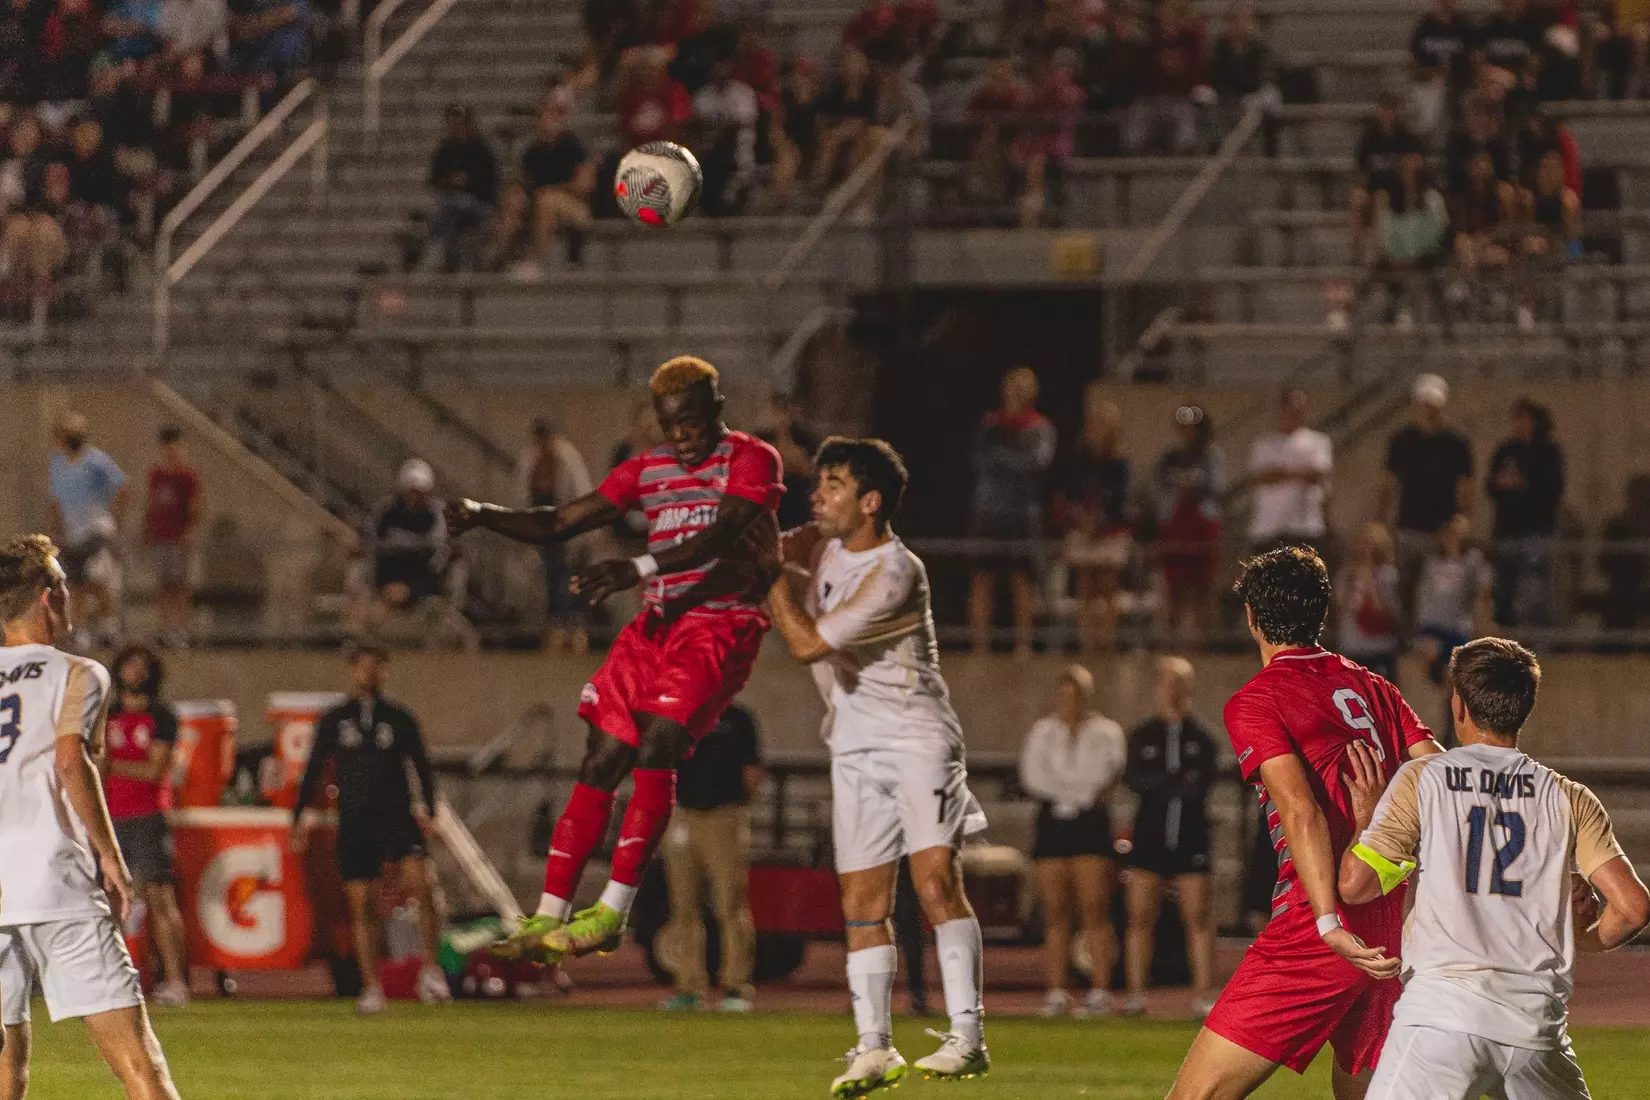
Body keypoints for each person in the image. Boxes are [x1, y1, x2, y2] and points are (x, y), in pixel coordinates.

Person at [449, 357, 783, 965]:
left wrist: (638, 566)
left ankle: (612, 911)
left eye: (692, 421)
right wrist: (482, 516)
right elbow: (559, 521)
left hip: (719, 623)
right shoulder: (645, 470)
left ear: (716, 409)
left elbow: (727, 533)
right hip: (655, 626)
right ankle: (549, 915)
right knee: (602, 757)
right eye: (669, 424)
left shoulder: (752, 459)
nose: (682, 434)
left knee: (657, 743)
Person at [1166, 545, 1444, 1099]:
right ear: (1324, 611)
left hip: (1320, 930)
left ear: (1251, 617)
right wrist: (1382, 821)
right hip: (1386, 927)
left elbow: (1301, 810)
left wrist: (1325, 923)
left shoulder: (1258, 699)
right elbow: (1439, 771)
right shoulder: (1375, 686)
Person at [765, 437, 990, 1091]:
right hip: (854, 744)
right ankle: (874, 1047)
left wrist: (768, 575)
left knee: (934, 883)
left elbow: (806, 644)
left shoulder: (897, 572)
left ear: (870, 502)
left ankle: (967, 1036)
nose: (818, 494)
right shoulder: (827, 543)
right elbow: (784, 543)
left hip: (918, 740)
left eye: (832, 483)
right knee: (861, 902)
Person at [1341, 637, 1650, 1099]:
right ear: (1524, 708)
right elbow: (1634, 908)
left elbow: (1356, 885)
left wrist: (1366, 820)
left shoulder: (1424, 779)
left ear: (1458, 706)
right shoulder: (1568, 796)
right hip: (1534, 1027)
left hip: (1440, 1018)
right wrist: (1582, 938)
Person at [0, 535, 181, 1100]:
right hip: (56, 883)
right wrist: (110, 855)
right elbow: (70, 759)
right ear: (49, 596)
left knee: (6, 1075)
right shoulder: (79, 672)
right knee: (139, 1066)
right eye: (64, 583)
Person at [290, 646, 450, 1014]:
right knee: (362, 903)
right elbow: (313, 769)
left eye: (375, 666)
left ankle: (431, 969)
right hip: (356, 821)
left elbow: (421, 767)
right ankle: (371, 985)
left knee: (421, 886)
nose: (369, 673)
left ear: (385, 671)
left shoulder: (400, 719)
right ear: (352, 671)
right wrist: (298, 816)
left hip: (396, 816)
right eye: (362, 667)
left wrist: (429, 808)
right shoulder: (335, 720)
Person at [1018, 665, 1125, 1019]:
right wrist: (1077, 789)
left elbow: (1105, 775)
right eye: (1064, 695)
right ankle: (1056, 990)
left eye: (1077, 695)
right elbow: (1034, 777)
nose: (1070, 702)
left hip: (1091, 825)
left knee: (1095, 909)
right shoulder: (1043, 732)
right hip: (1053, 825)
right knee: (1055, 912)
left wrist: (1073, 788)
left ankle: (1099, 989)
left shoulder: (1107, 732)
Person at [1122, 656, 1218, 1019]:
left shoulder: (1201, 737)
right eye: (1167, 683)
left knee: (1197, 914)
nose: (1173, 691)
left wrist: (1170, 784)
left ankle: (1204, 994)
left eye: (1180, 684)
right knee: (1140, 915)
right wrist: (1170, 783)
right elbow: (1136, 779)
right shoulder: (1143, 735)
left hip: (1190, 834)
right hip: (1149, 834)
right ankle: (1135, 995)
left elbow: (1200, 784)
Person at [657, 701, 763, 1013]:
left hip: (723, 816)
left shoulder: (737, 719)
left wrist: (737, 807)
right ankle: (688, 986)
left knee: (730, 903)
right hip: (682, 815)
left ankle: (735, 986)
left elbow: (752, 771)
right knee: (682, 905)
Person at [104, 645, 190, 1009]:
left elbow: (156, 771)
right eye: (129, 665)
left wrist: (111, 767)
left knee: (159, 898)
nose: (134, 673)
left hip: (147, 816)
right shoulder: (106, 714)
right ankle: (113, 980)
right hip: (108, 817)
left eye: (141, 666)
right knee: (108, 900)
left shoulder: (162, 716)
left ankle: (175, 981)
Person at [968, 366, 1056, 656]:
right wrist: (1012, 460)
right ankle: (980, 646)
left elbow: (1036, 465)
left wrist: (1003, 459)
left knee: (1022, 578)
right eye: (1012, 386)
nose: (1016, 392)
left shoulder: (1040, 428)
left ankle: (1023, 645)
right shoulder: (990, 424)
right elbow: (979, 460)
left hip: (1022, 513)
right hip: (989, 511)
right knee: (983, 577)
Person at [1380, 373, 1474, 617]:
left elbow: (1465, 485)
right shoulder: (1402, 440)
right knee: (1405, 586)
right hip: (1408, 524)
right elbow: (1389, 484)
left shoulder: (1456, 441)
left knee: (1439, 589)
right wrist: (1382, 522)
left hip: (1442, 528)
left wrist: (1461, 523)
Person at [490, 94, 594, 279]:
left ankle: (536, 262)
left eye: (550, 117)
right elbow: (525, 180)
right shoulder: (533, 150)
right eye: (542, 117)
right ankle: (499, 255)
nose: (544, 122)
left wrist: (554, 190)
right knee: (515, 198)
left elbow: (584, 186)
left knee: (547, 200)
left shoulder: (574, 147)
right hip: (539, 200)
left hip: (575, 206)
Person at [48, 411, 127, 646]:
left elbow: (122, 488)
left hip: (96, 532)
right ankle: (80, 628)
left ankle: (108, 625)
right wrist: (56, 531)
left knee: (99, 579)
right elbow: (55, 501)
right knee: (76, 583)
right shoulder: (57, 464)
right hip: (73, 533)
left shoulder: (96, 461)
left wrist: (114, 520)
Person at [1059, 402, 1132, 654]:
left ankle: (1108, 643)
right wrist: (1083, 518)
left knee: (1108, 588)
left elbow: (1121, 499)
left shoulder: (1120, 463)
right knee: (1086, 588)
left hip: (1110, 530)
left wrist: (1100, 520)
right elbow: (1071, 493)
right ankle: (1087, 644)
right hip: (1083, 528)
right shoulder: (1079, 460)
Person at [518, 419, 595, 652]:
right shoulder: (530, 459)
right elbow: (521, 492)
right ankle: (555, 623)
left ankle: (573, 625)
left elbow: (581, 493)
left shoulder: (568, 458)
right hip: (542, 520)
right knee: (552, 574)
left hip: (568, 519)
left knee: (570, 575)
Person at [1486, 398, 1563, 630]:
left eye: (1525, 418)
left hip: (1537, 530)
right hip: (1507, 530)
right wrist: (1503, 484)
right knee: (1503, 591)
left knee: (1536, 592)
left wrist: (1523, 485)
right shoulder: (1506, 450)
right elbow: (1490, 486)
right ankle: (1505, 640)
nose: (1520, 423)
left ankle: (1539, 642)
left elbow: (1553, 490)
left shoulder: (1549, 451)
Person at [1154, 405, 1224, 649]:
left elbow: (1215, 488)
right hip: (1176, 524)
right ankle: (1171, 643)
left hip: (1201, 524)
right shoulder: (1169, 458)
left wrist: (1192, 486)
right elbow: (1160, 487)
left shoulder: (1210, 457)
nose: (1188, 433)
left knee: (1202, 587)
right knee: (1175, 587)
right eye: (1184, 428)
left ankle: (1202, 644)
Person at [366, 458, 458, 630]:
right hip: (388, 575)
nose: (413, 499)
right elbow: (373, 544)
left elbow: (438, 555)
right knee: (368, 604)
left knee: (389, 601)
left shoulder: (437, 514)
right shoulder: (386, 512)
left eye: (418, 494)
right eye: (409, 493)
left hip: (423, 580)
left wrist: (412, 585)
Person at [1246, 387, 1332, 556]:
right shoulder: (1263, 445)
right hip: (1268, 527)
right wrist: (1300, 472)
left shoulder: (1318, 442)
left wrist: (1281, 472)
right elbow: (1262, 477)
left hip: (1305, 526)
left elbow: (1318, 474)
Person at [143, 425, 202, 644]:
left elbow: (195, 508)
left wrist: (189, 532)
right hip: (161, 536)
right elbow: (151, 505)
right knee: (163, 585)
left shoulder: (188, 477)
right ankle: (165, 628)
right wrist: (147, 529)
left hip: (179, 539)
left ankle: (180, 629)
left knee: (180, 586)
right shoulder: (157, 476)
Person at [423, 104, 498, 273]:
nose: (456, 128)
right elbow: (433, 180)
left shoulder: (482, 150)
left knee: (454, 207)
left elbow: (489, 184)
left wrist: (468, 182)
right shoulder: (445, 149)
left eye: (460, 123)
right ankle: (444, 256)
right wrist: (451, 181)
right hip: (450, 202)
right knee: (451, 209)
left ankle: (437, 252)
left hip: (479, 203)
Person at [1336, 524, 1402, 683]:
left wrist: (1370, 581)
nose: (1367, 549)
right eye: (1364, 543)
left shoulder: (1388, 575)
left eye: (1372, 544)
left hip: (1379, 646)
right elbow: (1340, 605)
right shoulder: (1347, 573)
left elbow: (1386, 609)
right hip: (1352, 644)